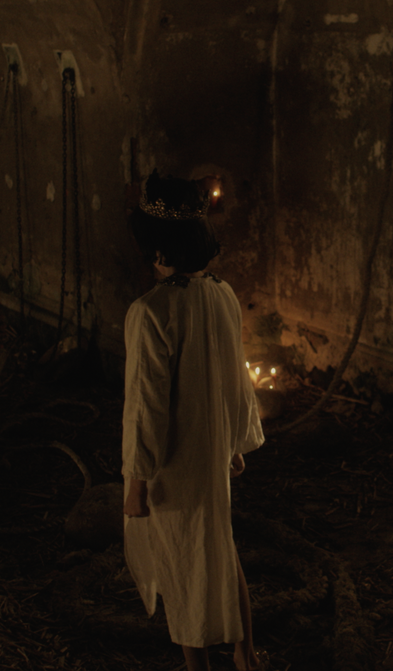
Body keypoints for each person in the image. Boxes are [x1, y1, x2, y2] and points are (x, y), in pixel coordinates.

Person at [122, 174, 266, 671]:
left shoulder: (151, 311)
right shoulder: (222, 293)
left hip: (176, 462)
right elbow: (235, 378)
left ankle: (198, 666)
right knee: (220, 547)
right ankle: (246, 655)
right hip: (211, 450)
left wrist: (137, 480)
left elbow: (147, 405)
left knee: (183, 559)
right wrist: (235, 440)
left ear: (155, 244)